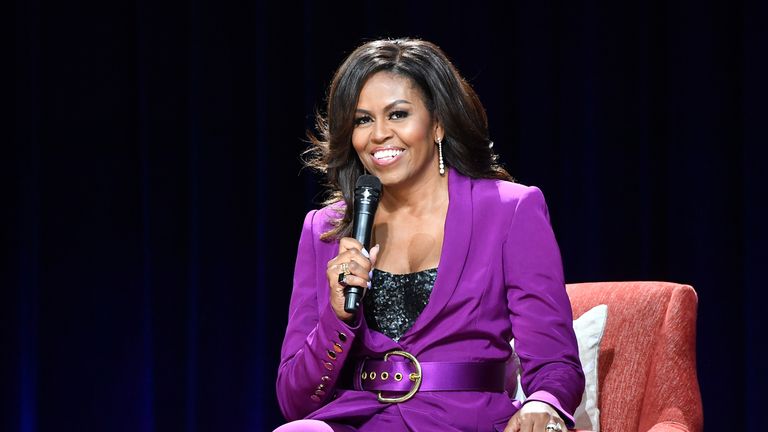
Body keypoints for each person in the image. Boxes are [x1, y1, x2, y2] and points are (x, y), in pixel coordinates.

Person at [274, 38, 584, 432]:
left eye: (398, 114)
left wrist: (543, 402)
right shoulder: (326, 229)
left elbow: (555, 361)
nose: (378, 135)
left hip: (466, 422)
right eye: (362, 120)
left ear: (437, 122)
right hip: (360, 422)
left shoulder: (509, 210)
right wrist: (338, 316)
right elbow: (294, 400)